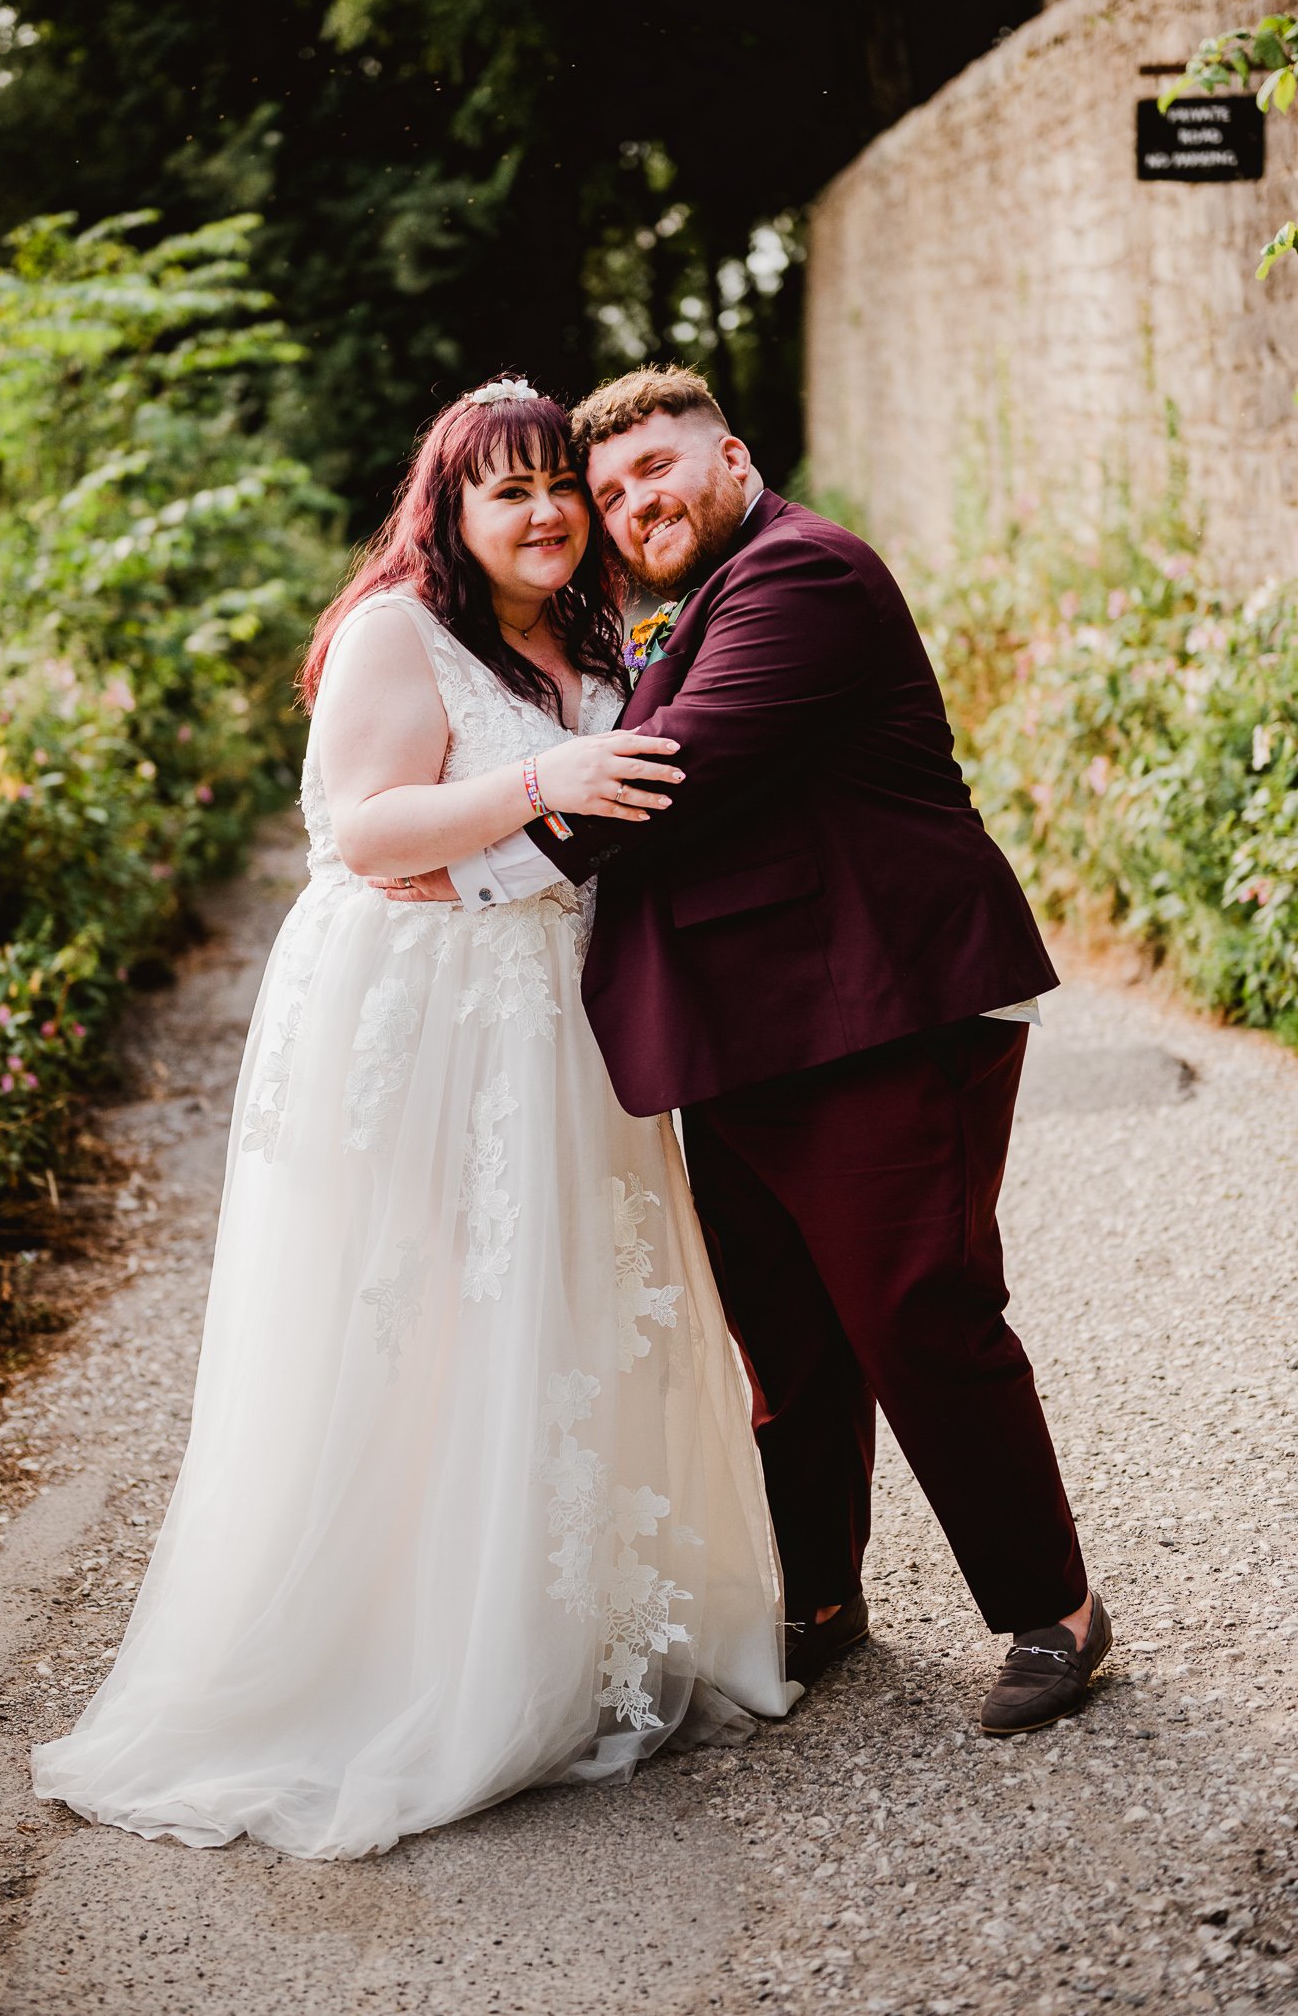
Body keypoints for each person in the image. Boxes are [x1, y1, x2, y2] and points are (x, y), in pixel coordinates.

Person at [30, 378, 796, 1862]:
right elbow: (359, 832)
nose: (547, 513)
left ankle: (551, 1636)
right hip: (429, 1018)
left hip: (551, 1020)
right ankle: (413, 1660)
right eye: (506, 492)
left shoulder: (583, 633)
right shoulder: (398, 630)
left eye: (557, 486)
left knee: (555, 1320)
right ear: (447, 512)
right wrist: (540, 777)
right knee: (428, 1317)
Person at [388, 365, 1111, 1739]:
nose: (632, 502)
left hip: (876, 1010)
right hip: (742, 1038)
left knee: (917, 1306)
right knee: (784, 1332)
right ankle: (824, 1601)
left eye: (657, 470)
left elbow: (677, 770)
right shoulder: (670, 608)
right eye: (609, 493)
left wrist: (466, 861)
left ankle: (1053, 1608)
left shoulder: (802, 575)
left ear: (731, 456)